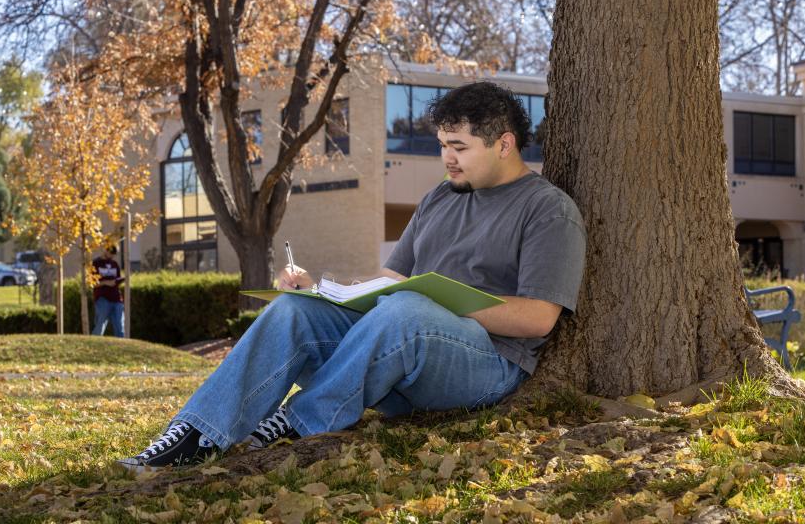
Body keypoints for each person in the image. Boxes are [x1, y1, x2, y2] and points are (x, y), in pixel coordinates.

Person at [117, 81, 587, 472]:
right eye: (443, 145)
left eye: (459, 148)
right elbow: (388, 279)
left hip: (484, 368)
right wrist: (323, 290)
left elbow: (540, 318)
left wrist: (440, 303)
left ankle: (301, 423)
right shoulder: (441, 198)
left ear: (504, 143)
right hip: (401, 355)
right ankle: (197, 434)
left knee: (408, 308)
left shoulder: (548, 210)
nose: (447, 158)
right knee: (295, 309)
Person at [91, 245, 124, 338]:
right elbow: (92, 283)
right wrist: (105, 282)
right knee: (100, 324)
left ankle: (121, 347)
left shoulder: (115, 264)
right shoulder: (96, 263)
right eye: (111, 253)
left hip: (117, 298)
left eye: (114, 254)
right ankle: (95, 344)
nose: (112, 256)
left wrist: (118, 281)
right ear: (105, 250)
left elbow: (117, 279)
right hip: (102, 298)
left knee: (120, 326)